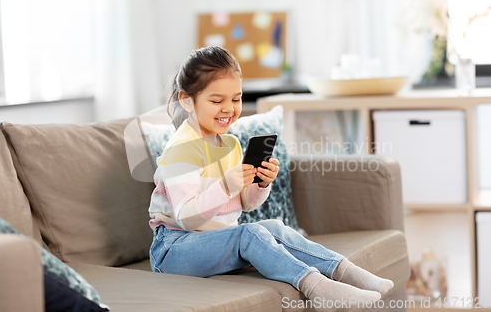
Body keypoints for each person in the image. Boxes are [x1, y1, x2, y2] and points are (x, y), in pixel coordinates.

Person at [148, 46, 393, 311]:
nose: (228, 109)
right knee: (250, 233)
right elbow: (186, 217)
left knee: (273, 227)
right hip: (174, 249)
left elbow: (245, 204)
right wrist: (225, 185)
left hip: (217, 238)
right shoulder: (181, 149)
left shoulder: (229, 143)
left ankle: (346, 272)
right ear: (187, 100)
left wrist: (260, 184)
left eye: (236, 99)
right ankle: (317, 289)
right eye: (217, 101)